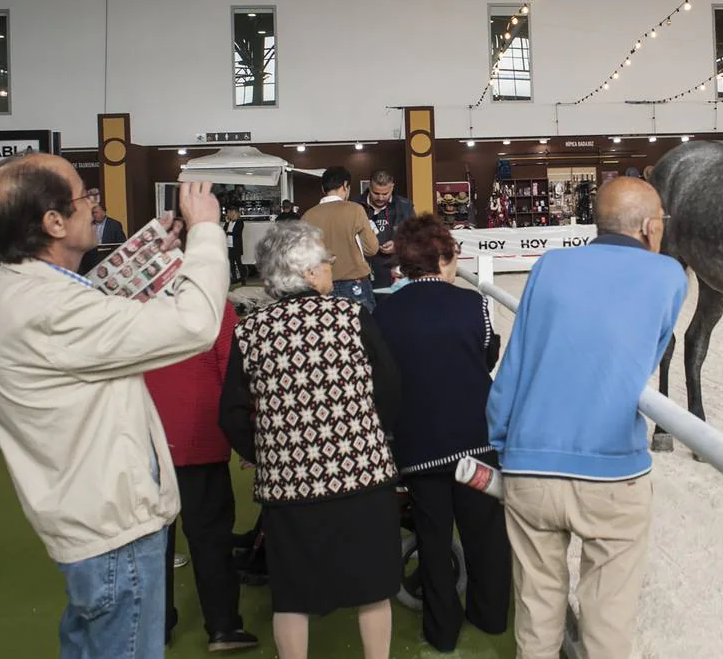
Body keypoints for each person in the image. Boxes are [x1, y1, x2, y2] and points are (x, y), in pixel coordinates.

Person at [0, 155, 229, 658]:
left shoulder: (10, 289)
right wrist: (207, 234)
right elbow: (196, 324)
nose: (94, 205)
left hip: (91, 520)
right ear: (53, 222)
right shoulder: (49, 310)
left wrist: (146, 262)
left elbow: (89, 320)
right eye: (85, 196)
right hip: (114, 530)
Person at [486, 178, 688, 659]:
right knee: (608, 621)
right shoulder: (670, 276)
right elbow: (648, 353)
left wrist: (502, 440)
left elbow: (515, 363)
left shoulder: (550, 265)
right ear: (649, 226)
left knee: (536, 616)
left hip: (530, 463)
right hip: (612, 469)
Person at [219, 221, 401, 659]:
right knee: (373, 587)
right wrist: (368, 436)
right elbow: (390, 388)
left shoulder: (249, 331)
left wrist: (269, 453)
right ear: (304, 272)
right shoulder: (352, 316)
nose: (329, 272)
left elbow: (231, 416)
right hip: (363, 476)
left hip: (289, 487)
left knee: (292, 593)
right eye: (324, 264)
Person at [374, 215, 511, 652]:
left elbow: (384, 378)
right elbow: (488, 356)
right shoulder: (475, 306)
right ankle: (490, 617)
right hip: (475, 442)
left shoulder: (383, 313)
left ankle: (442, 629)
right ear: (445, 256)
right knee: (485, 533)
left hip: (418, 446)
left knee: (433, 538)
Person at [144, 298, 259, 653]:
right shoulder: (211, 302)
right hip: (200, 434)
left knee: (150, 540)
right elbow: (233, 370)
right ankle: (223, 627)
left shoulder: (130, 299)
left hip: (144, 436)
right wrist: (247, 435)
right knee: (211, 536)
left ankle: (155, 625)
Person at [300, 167, 379, 312]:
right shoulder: (355, 209)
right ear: (345, 185)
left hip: (320, 284)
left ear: (323, 188)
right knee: (362, 329)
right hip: (354, 284)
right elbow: (371, 249)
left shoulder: (308, 216)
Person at [358, 170, 414, 289]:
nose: (380, 197)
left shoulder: (405, 206)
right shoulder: (355, 206)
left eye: (385, 194)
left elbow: (416, 237)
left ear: (392, 187)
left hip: (396, 273)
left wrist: (398, 245)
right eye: (376, 193)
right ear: (369, 186)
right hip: (362, 273)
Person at [224, 207, 246, 286]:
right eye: (230, 213)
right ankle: (234, 278)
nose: (230, 215)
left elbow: (237, 233)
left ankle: (243, 279)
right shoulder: (229, 222)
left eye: (232, 213)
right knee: (231, 263)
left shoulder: (240, 222)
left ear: (236, 213)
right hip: (229, 245)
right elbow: (224, 230)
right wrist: (227, 222)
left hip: (236, 246)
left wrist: (228, 233)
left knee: (239, 263)